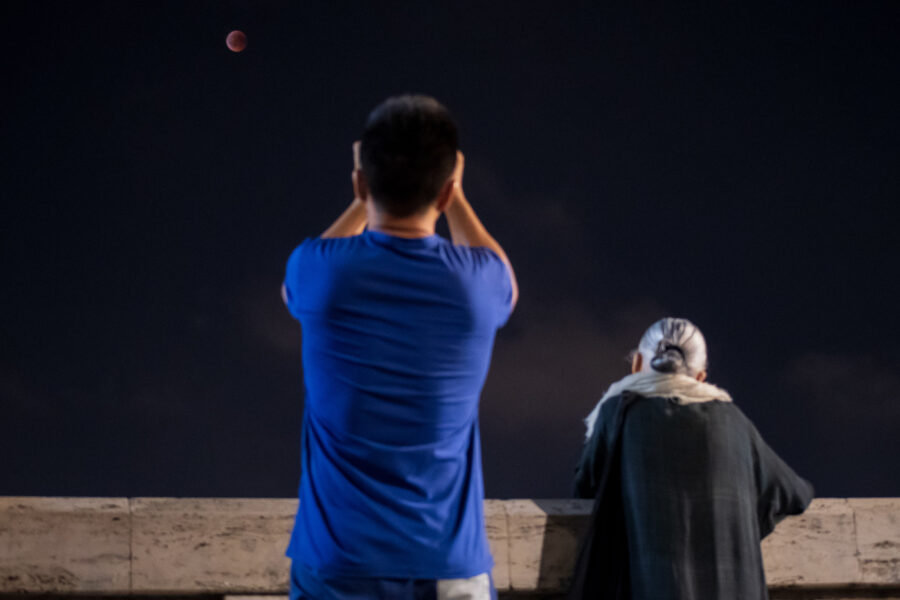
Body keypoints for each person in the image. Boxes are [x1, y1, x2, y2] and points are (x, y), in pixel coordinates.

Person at [281, 95, 517, 600]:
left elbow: (290, 291)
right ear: (448, 191)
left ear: (362, 184)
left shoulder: (319, 272)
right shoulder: (477, 286)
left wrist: (362, 200)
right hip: (450, 567)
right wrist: (456, 192)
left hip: (337, 563)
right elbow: (506, 278)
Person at [569, 318, 814, 600]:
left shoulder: (618, 415)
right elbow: (793, 492)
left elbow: (585, 490)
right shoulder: (734, 421)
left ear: (637, 364)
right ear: (700, 377)